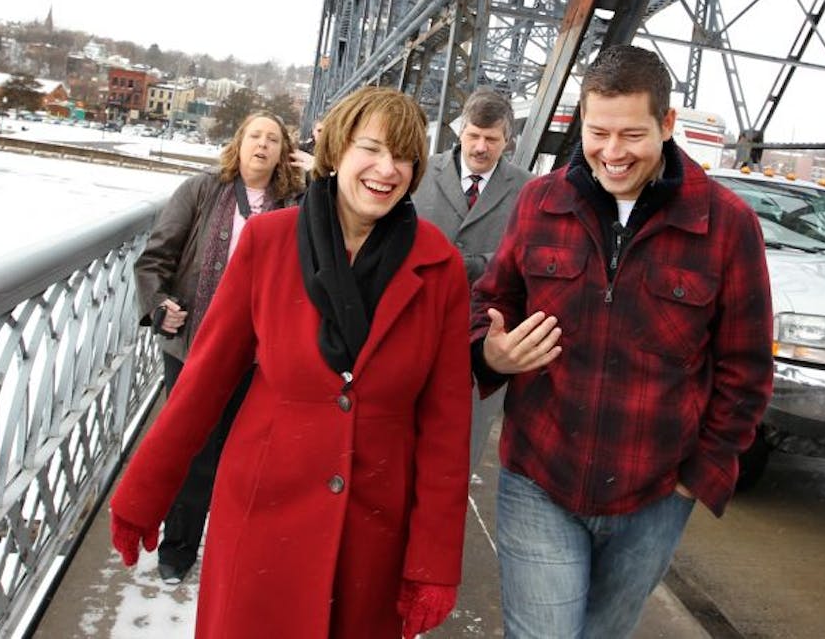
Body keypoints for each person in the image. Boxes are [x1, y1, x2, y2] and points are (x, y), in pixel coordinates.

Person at [111, 86, 472, 639]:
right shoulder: (268, 241)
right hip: (263, 514)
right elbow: (204, 382)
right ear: (335, 151)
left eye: (404, 156)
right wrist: (142, 494)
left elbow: (446, 427)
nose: (386, 169)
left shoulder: (439, 266)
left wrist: (433, 566)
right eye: (371, 148)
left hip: (371, 532)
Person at [469, 45, 774, 637]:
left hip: (655, 492)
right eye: (597, 131)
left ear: (666, 124)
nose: (612, 153)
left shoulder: (727, 224)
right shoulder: (540, 202)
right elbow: (491, 300)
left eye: (631, 134)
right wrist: (490, 350)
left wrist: (700, 473)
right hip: (540, 476)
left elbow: (747, 367)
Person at [131, 110, 302, 583]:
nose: (262, 145)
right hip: (194, 345)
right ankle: (178, 549)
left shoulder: (297, 203)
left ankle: (236, 550)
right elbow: (155, 258)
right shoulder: (200, 191)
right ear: (239, 142)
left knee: (246, 451)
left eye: (272, 138)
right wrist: (161, 304)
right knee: (192, 446)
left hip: (259, 352)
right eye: (255, 136)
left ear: (283, 151)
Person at [412, 86, 531, 468]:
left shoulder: (528, 190)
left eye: (491, 139)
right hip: (415, 324)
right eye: (473, 136)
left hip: (480, 339)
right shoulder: (421, 171)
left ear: (507, 141)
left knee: (458, 455)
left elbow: (527, 255)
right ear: (460, 131)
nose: (480, 147)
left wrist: (473, 264)